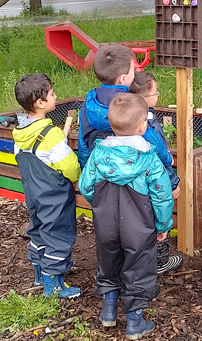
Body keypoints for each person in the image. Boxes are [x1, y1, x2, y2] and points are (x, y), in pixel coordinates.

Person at [77, 44, 181, 274]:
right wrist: (171, 175)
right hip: (137, 188)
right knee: (141, 231)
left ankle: (114, 281)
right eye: (134, 70)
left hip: (103, 183)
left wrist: (89, 173)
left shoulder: (88, 105)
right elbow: (154, 148)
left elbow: (83, 144)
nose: (135, 74)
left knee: (112, 235)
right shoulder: (130, 107)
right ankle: (151, 271)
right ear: (124, 77)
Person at [79, 93, 174, 338]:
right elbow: (162, 195)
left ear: (111, 125)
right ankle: (134, 323)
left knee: (108, 261)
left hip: (106, 223)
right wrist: (163, 224)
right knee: (139, 268)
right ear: (143, 126)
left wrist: (98, 205)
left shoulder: (98, 155)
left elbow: (86, 186)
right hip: (139, 226)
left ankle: (109, 313)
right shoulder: (149, 158)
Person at [12, 73, 82, 299]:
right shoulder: (50, 135)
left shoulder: (20, 133)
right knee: (58, 234)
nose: (56, 96)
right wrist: (77, 175)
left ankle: (39, 272)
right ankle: (55, 285)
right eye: (52, 94)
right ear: (40, 103)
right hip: (55, 196)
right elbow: (69, 166)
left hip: (33, 193)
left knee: (39, 229)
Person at [129, 71, 183, 275]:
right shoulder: (147, 128)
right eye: (156, 92)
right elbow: (160, 162)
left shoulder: (131, 118)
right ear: (144, 99)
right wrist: (173, 183)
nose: (158, 95)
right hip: (155, 184)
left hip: (134, 190)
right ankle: (159, 262)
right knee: (159, 218)